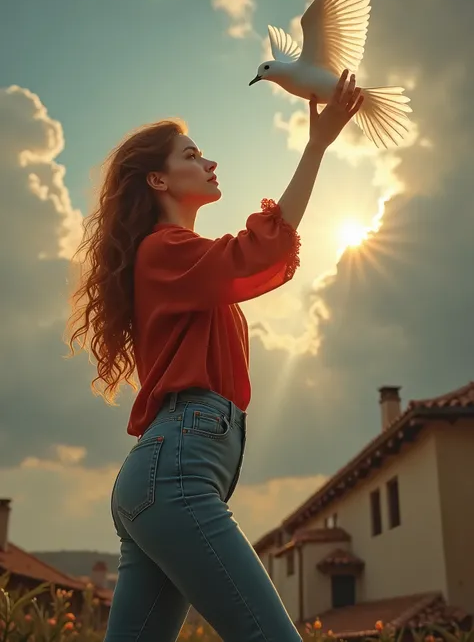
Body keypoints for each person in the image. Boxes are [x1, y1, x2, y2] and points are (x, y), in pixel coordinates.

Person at [66, 70, 363, 642]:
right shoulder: (166, 251)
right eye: (192, 154)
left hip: (161, 476)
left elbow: (254, 258)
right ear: (157, 178)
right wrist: (317, 145)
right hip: (176, 472)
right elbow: (263, 249)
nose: (211, 163)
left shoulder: (182, 262)